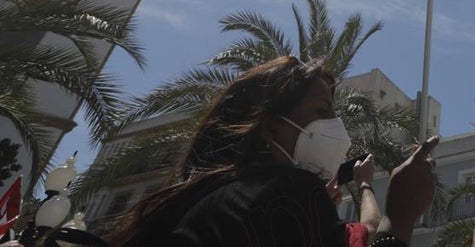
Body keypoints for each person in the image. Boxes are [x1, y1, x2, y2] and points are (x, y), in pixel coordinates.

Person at [108, 56, 438, 247]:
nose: (336, 126)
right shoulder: (285, 192)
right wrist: (402, 214)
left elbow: (362, 233)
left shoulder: (209, 199)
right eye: (322, 111)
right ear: (271, 127)